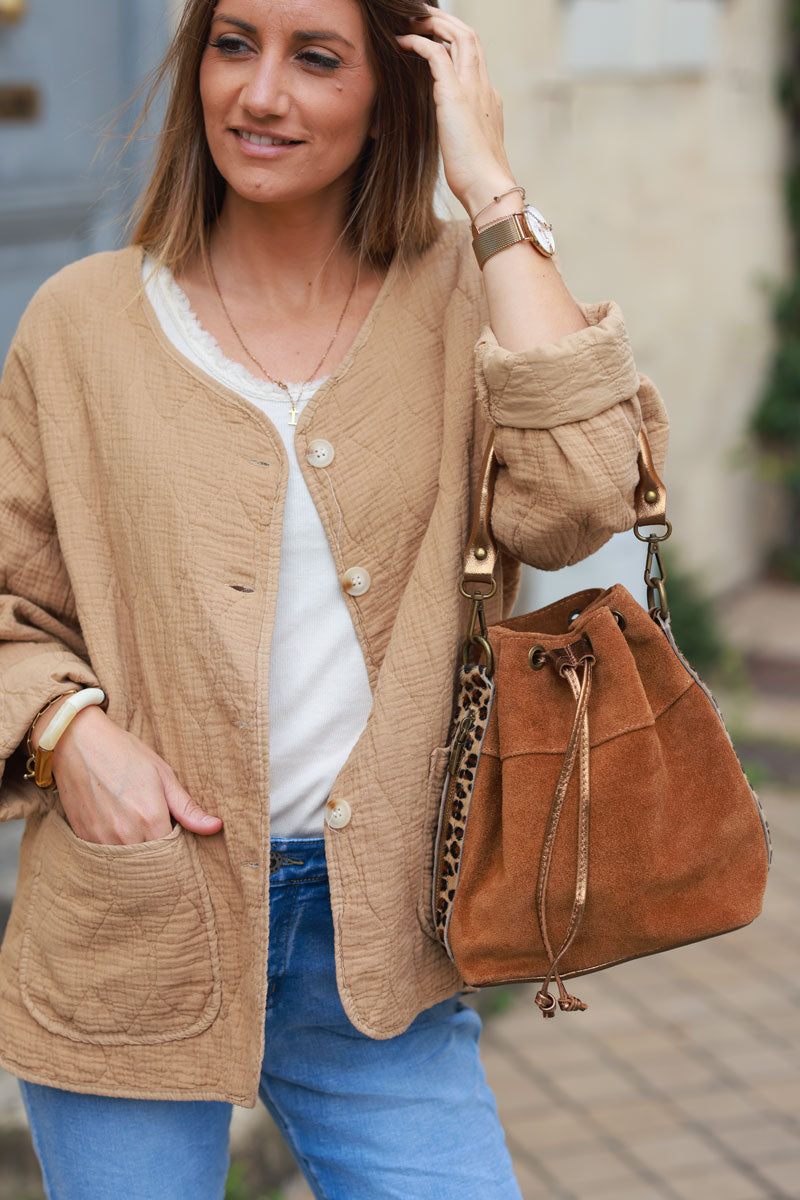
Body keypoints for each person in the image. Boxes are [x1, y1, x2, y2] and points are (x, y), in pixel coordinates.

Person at [0, 1, 668, 1196]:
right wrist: (69, 735)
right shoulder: (79, 325)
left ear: (391, 95)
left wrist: (493, 197)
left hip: (379, 944)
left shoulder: (463, 303)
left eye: (317, 58)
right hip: (137, 918)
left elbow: (580, 495)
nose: (259, 94)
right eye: (233, 43)